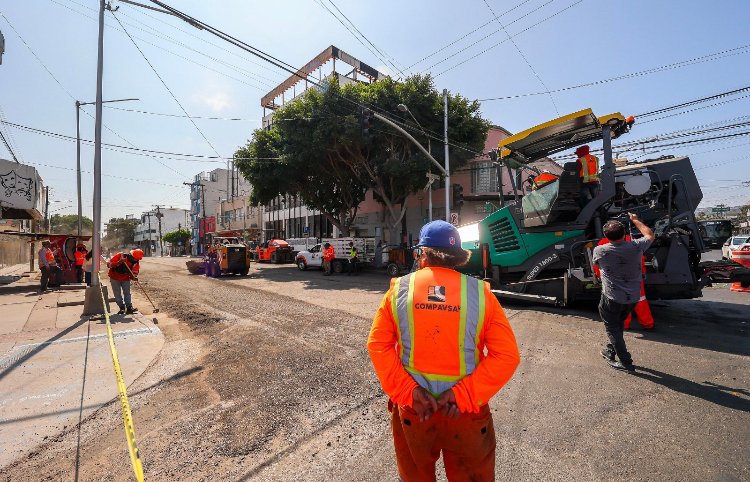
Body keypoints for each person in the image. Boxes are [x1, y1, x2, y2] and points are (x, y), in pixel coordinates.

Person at [368, 220, 521, 481]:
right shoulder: (481, 294)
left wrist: (408, 392)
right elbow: (506, 356)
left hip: (415, 410)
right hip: (464, 413)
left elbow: (378, 345)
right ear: (459, 257)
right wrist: (462, 396)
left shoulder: (400, 289)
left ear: (422, 255)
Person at [593, 213, 655, 372]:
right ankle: (611, 348)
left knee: (612, 327)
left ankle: (626, 362)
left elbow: (596, 268)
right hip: (632, 298)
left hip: (611, 298)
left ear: (606, 236)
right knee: (618, 324)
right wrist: (635, 220)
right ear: (624, 234)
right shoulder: (636, 246)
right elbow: (649, 234)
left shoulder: (600, 250)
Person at [593, 236, 654, 330]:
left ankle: (625, 324)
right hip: (635, 276)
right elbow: (640, 258)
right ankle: (648, 323)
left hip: (615, 278)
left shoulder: (603, 243)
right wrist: (642, 273)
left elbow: (599, 262)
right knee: (640, 299)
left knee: (620, 301)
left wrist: (599, 275)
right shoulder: (632, 240)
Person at [107, 248, 143, 315]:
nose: (136, 260)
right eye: (135, 258)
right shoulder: (120, 256)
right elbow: (109, 265)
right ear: (131, 255)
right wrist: (119, 262)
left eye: (137, 259)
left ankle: (129, 308)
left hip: (125, 278)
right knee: (117, 294)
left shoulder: (136, 263)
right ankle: (121, 308)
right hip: (114, 278)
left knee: (127, 293)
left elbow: (134, 273)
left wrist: (134, 277)